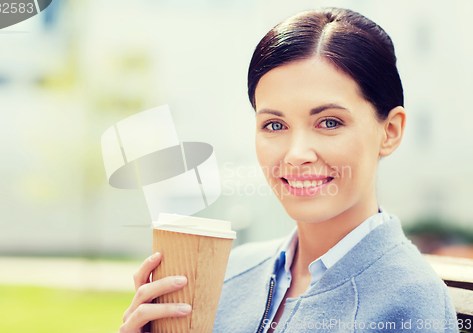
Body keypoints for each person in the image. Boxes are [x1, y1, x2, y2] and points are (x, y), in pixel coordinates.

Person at [120, 7, 459, 333]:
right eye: (274, 125)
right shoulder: (229, 274)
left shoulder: (410, 302)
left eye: (329, 122)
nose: (296, 155)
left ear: (390, 131)